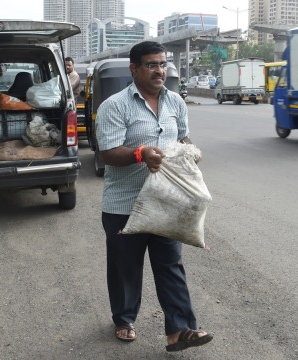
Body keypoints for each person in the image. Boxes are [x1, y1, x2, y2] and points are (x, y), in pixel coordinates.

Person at [95, 41, 214, 352]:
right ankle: (124, 319)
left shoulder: (175, 102)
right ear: (134, 69)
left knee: (170, 264)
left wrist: (190, 151)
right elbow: (107, 153)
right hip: (125, 204)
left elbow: (183, 135)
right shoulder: (115, 106)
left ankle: (179, 330)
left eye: (162, 64)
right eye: (151, 64)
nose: (159, 70)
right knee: (126, 269)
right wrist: (140, 153)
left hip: (165, 202)